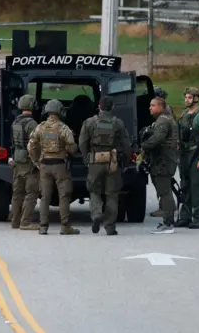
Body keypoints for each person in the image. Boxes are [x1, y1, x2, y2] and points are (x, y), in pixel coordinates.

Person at [78, 96, 131, 236]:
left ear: (99, 107)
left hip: (95, 160)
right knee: (112, 194)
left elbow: (82, 142)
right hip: (112, 161)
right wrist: (125, 159)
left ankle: (96, 214)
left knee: (94, 190)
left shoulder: (89, 122)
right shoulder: (118, 123)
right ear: (112, 107)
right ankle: (110, 226)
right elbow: (126, 144)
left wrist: (86, 157)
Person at [28, 99, 80, 236]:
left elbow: (31, 146)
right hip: (60, 165)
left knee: (45, 196)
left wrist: (36, 161)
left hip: (45, 165)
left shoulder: (40, 127)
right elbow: (71, 148)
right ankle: (65, 226)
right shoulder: (63, 128)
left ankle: (43, 226)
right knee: (64, 195)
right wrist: (72, 148)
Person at [141, 97, 179, 234]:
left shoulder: (162, 121)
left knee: (164, 191)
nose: (150, 108)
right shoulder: (167, 119)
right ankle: (167, 220)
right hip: (165, 159)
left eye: (153, 105)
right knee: (165, 190)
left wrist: (144, 146)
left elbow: (158, 138)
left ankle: (168, 223)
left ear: (161, 107)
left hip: (163, 160)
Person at [176, 87, 199, 229]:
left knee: (196, 187)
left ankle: (198, 218)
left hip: (195, 154)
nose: (187, 100)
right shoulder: (184, 114)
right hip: (184, 155)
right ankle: (184, 217)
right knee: (185, 186)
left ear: (197, 98)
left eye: (190, 97)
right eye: (186, 97)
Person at [8, 94, 41, 230]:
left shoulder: (15, 122)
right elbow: (35, 144)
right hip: (28, 160)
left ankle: (15, 221)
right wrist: (38, 161)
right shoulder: (33, 124)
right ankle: (25, 222)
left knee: (17, 193)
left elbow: (12, 143)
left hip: (17, 159)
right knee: (32, 192)